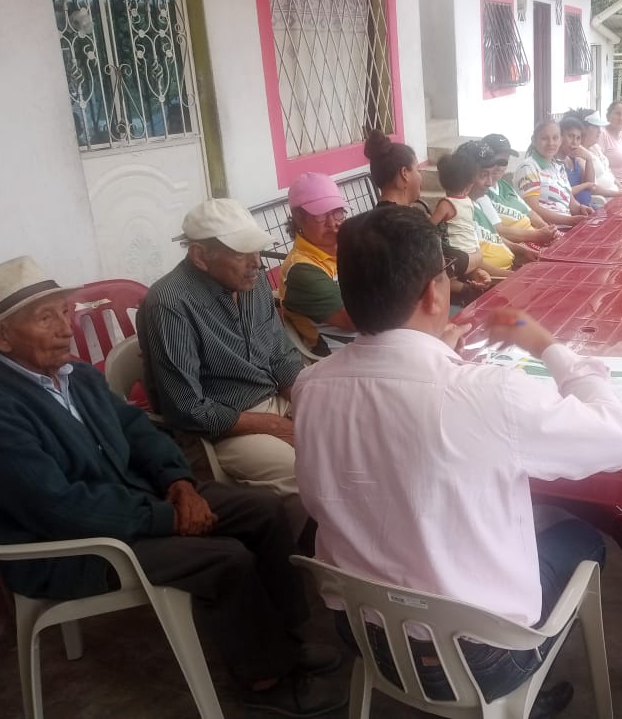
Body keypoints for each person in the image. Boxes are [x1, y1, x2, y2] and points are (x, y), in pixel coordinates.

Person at [0, 256, 346, 718]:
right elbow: (59, 509)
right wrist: (168, 517)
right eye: (46, 319)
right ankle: (265, 679)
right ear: (2, 337)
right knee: (224, 558)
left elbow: (138, 430)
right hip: (71, 549)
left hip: (135, 503)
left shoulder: (75, 377)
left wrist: (178, 482)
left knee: (264, 510)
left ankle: (288, 642)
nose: (65, 329)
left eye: (64, 312)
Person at [291, 205, 622, 706]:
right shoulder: (489, 392)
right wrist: (546, 345)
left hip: (365, 638)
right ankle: (522, 700)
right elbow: (618, 438)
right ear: (434, 292)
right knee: (583, 538)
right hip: (478, 663)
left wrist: (438, 351)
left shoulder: (310, 386)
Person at [136, 199, 308, 537]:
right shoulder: (170, 303)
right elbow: (187, 409)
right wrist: (275, 425)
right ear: (200, 256)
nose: (257, 263)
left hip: (275, 402)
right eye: (242, 253)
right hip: (225, 429)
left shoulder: (253, 282)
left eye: (256, 250)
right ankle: (299, 552)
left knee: (344, 445)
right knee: (304, 474)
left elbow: (281, 356)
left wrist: (305, 402)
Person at [365, 130, 492, 304]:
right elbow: (448, 264)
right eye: (417, 169)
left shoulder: (367, 223)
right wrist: (477, 259)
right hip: (417, 308)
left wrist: (473, 271)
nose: (421, 176)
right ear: (404, 174)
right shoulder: (409, 225)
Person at [279, 173, 355, 356]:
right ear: (298, 217)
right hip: (343, 357)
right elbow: (354, 320)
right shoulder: (300, 271)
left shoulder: (348, 246)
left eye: (337, 212)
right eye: (321, 215)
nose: (333, 223)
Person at [431, 150, 515, 277]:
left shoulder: (446, 204)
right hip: (468, 255)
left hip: (463, 255)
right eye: (483, 175)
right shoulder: (468, 203)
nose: (489, 182)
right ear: (470, 184)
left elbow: (428, 226)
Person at [513, 120, 595, 228]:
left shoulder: (559, 167)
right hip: (547, 230)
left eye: (555, 138)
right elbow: (532, 209)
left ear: (560, 140)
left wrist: (581, 209)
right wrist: (569, 220)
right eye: (544, 138)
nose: (551, 143)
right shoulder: (528, 168)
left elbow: (570, 202)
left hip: (567, 226)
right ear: (534, 140)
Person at [480, 133, 559, 244]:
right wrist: (538, 235)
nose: (499, 167)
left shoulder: (504, 185)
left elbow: (529, 212)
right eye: (495, 160)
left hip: (534, 236)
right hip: (520, 243)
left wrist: (548, 229)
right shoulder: (479, 191)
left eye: (504, 161)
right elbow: (498, 231)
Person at [573, 111, 622, 201]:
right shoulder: (580, 155)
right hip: (606, 198)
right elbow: (591, 187)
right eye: (596, 127)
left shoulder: (594, 147)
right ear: (584, 129)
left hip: (616, 191)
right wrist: (617, 194)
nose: (599, 131)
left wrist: (620, 185)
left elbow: (608, 172)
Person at [559, 116, 596, 207]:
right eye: (570, 136)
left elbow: (590, 186)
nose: (574, 142)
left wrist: (589, 159)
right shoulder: (555, 162)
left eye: (578, 138)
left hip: (588, 207)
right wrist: (585, 185)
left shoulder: (574, 159)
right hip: (571, 210)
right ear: (560, 136)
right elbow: (562, 192)